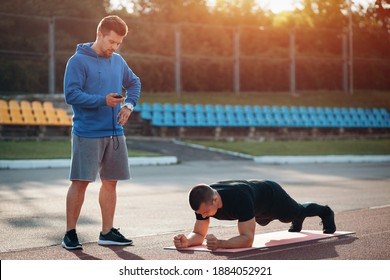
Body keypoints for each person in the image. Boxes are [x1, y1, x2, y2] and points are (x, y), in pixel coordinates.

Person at [62, 15, 141, 250]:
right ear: (99, 34)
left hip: (115, 133)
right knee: (80, 182)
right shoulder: (77, 61)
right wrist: (102, 101)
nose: (113, 47)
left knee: (111, 182)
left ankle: (107, 232)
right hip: (87, 132)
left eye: (118, 43)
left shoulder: (118, 61)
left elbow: (134, 83)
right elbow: (71, 95)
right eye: (111, 42)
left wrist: (129, 105)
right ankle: (70, 233)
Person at [173, 180, 336, 250]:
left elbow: (247, 239)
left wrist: (221, 243)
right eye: (200, 214)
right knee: (264, 221)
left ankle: (326, 212)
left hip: (272, 196)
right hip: (256, 208)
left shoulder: (239, 198)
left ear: (215, 199)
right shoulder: (204, 200)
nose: (204, 216)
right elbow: (200, 233)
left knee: (295, 212)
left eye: (206, 212)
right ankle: (297, 219)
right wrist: (187, 241)